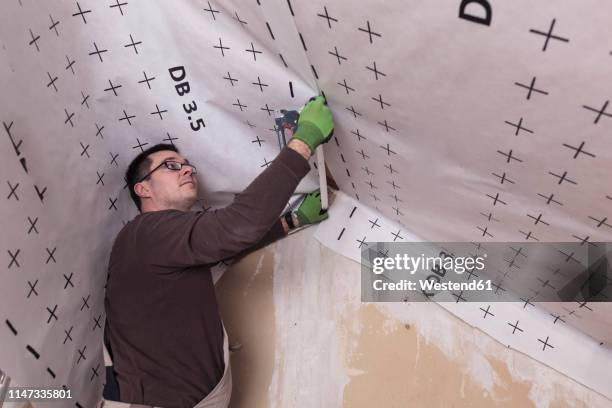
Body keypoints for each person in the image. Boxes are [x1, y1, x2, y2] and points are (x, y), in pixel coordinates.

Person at [102, 96, 334, 408]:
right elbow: (236, 227)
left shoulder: (165, 243)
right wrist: (303, 141)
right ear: (142, 188)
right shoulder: (145, 232)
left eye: (187, 165)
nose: (186, 170)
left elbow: (225, 245)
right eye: (171, 166)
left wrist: (291, 221)